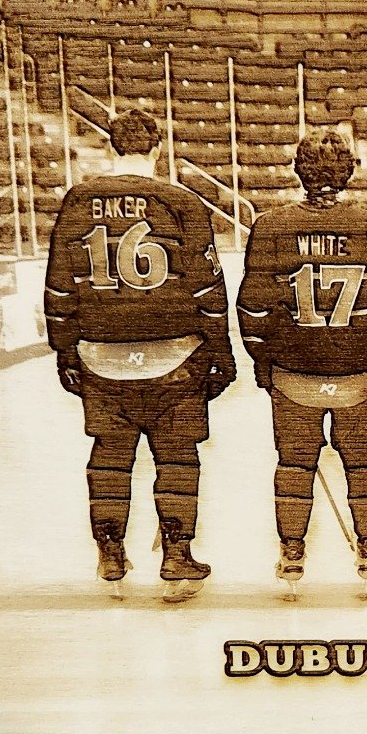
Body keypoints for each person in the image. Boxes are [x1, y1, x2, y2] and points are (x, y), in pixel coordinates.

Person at [44, 107, 235, 601]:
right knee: (176, 459)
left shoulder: (77, 200)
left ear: (111, 145)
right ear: (157, 147)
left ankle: (110, 549)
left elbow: (60, 289)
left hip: (101, 359)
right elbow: (208, 291)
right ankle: (176, 555)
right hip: (176, 359)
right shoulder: (181, 201)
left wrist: (66, 352)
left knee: (109, 457)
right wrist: (222, 355)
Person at [236, 130, 367, 598]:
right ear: (348, 173)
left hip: (294, 375)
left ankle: (292, 553)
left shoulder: (270, 227)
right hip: (359, 373)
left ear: (299, 170)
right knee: (366, 466)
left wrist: (262, 359)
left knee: (293, 466)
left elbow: (253, 308)